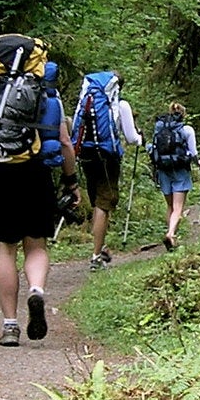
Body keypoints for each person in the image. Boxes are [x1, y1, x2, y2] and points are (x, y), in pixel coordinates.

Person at [0, 34, 77, 345]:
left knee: (4, 249)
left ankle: (10, 325)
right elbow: (64, 141)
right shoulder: (45, 91)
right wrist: (71, 180)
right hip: (34, 170)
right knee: (36, 245)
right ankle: (36, 290)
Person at [71, 69, 143, 269]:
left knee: (96, 201)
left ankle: (100, 247)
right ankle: (95, 256)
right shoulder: (120, 104)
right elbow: (131, 137)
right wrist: (140, 138)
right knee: (104, 203)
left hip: (86, 154)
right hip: (107, 158)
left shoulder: (88, 98)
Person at [148, 100, 199, 250]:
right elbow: (193, 153)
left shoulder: (159, 127)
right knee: (178, 207)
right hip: (180, 170)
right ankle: (170, 234)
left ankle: (172, 238)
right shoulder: (187, 129)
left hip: (163, 169)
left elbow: (153, 147)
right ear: (183, 114)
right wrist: (199, 163)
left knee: (169, 206)